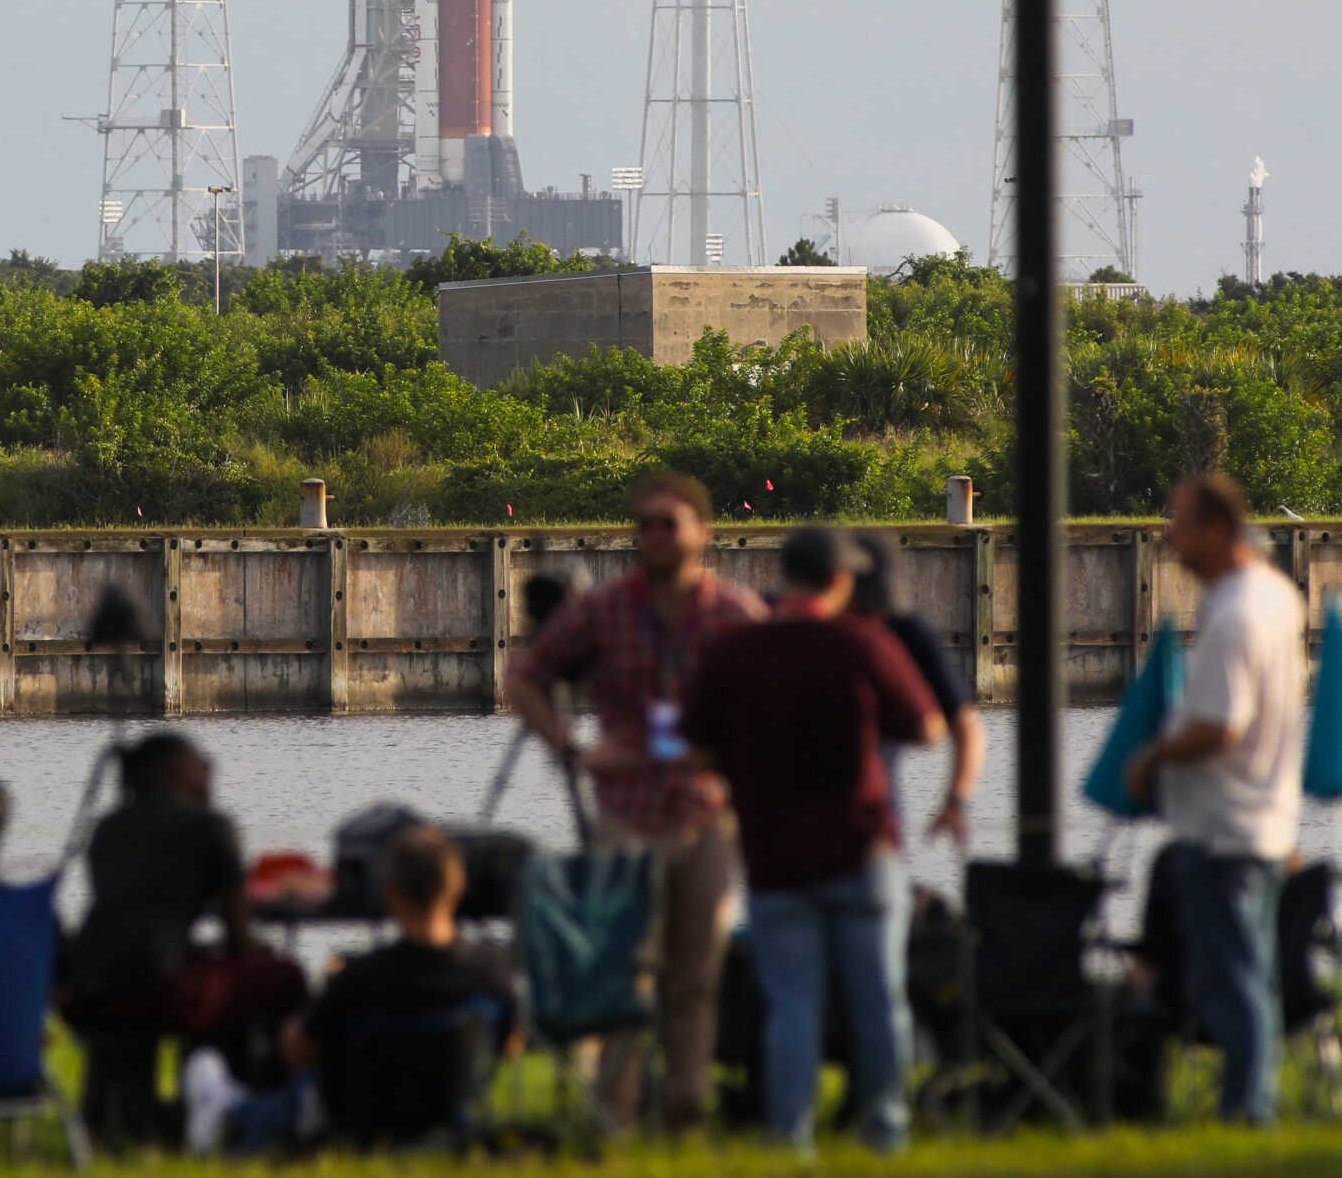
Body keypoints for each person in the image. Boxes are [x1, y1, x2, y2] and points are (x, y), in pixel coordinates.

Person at [502, 472, 762, 1133]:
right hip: (626, 807)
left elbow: (777, 697)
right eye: (643, 523)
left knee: (697, 971)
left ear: (702, 531)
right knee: (625, 967)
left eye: (667, 522)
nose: (653, 534)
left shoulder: (734, 614)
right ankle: (612, 1114)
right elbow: (526, 674)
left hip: (706, 811)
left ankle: (684, 1107)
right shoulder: (607, 607)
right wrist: (567, 743)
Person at [682, 526, 943, 1153]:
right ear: (840, 580)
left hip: (774, 857)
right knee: (880, 1003)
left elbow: (694, 749)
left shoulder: (735, 652)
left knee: (792, 1005)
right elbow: (929, 729)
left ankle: (789, 1138)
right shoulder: (863, 646)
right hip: (862, 848)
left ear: (783, 574)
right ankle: (886, 1133)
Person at [1125, 473, 1305, 1126]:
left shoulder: (1234, 614)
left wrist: (1152, 755)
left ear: (1215, 529)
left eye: (1178, 523)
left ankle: (1247, 1112)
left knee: (1229, 984)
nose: (1168, 538)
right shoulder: (1276, 596)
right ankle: (1251, 1103)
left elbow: (1221, 724)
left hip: (1226, 829)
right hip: (1264, 820)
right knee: (1251, 976)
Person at [188, 825, 524, 1154]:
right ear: (459, 885)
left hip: (359, 1123)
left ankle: (225, 1116)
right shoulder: (494, 970)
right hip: (448, 1118)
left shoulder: (362, 977)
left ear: (390, 892)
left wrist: (322, 996)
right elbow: (510, 1044)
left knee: (286, 1098)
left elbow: (296, 1051)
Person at [66, 732, 302, 1147]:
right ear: (175, 773)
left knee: (221, 977)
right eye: (201, 763)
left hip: (84, 984)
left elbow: (133, 919)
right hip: (155, 988)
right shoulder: (209, 827)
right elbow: (240, 941)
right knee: (284, 977)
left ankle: (148, 1110)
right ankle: (255, 1097)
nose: (210, 771)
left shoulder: (108, 827)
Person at [849, 531, 985, 847]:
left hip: (865, 830)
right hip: (872, 832)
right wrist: (956, 801)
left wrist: (955, 800)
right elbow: (950, 730)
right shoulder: (900, 630)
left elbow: (961, 727)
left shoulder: (904, 631)